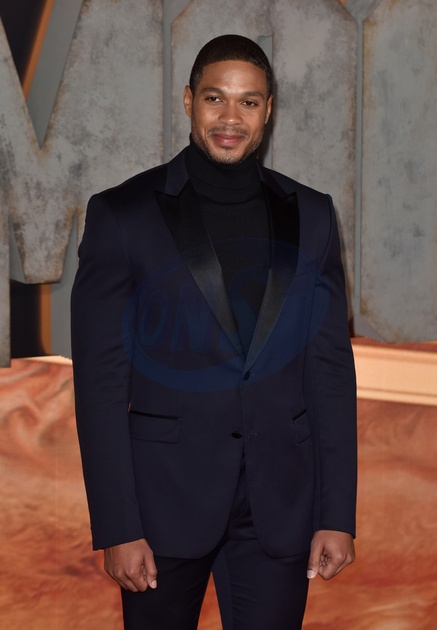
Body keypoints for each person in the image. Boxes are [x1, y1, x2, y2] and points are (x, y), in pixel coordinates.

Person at [71, 34, 357, 630]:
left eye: (248, 101)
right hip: (162, 507)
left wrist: (336, 514)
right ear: (188, 101)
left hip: (279, 507)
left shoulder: (312, 214)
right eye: (214, 98)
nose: (231, 117)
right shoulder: (122, 214)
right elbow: (100, 384)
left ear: (268, 110)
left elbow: (330, 370)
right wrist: (118, 526)